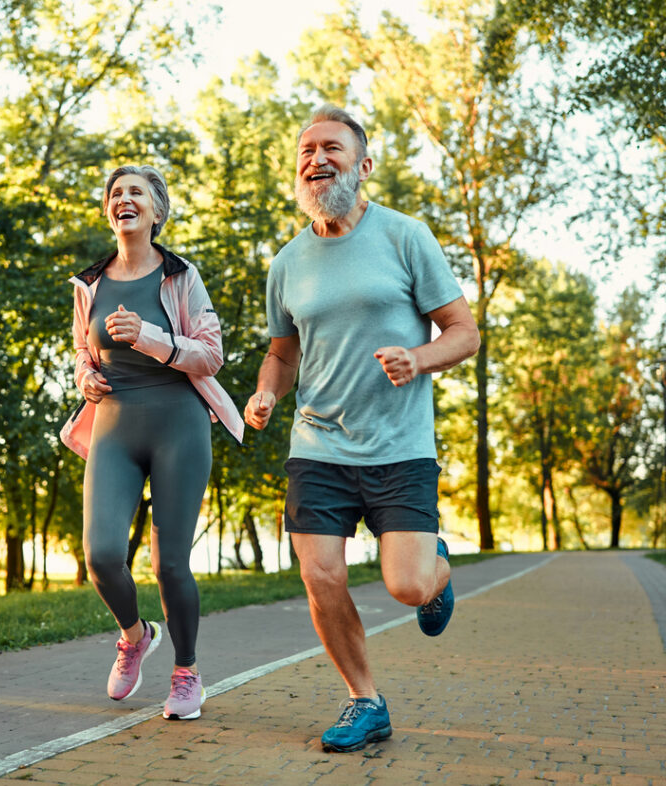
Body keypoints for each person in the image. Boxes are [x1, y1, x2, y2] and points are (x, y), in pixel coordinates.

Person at [243, 106, 480, 752]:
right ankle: (364, 700)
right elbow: (283, 354)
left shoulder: (407, 237)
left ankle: (437, 573)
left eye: (332, 148)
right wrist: (266, 392)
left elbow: (465, 333)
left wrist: (419, 357)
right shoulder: (287, 262)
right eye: (306, 151)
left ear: (364, 164)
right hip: (318, 444)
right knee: (321, 575)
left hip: (399, 445)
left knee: (405, 585)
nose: (316, 159)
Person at [60, 164, 243, 721]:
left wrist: (151, 338)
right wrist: (84, 377)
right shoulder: (89, 285)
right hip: (114, 424)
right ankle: (135, 635)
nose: (125, 199)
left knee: (170, 565)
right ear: (108, 212)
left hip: (178, 424)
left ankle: (186, 671)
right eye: (116, 193)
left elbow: (211, 354)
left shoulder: (181, 276)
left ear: (156, 212)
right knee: (102, 556)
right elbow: (81, 353)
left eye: (137, 192)